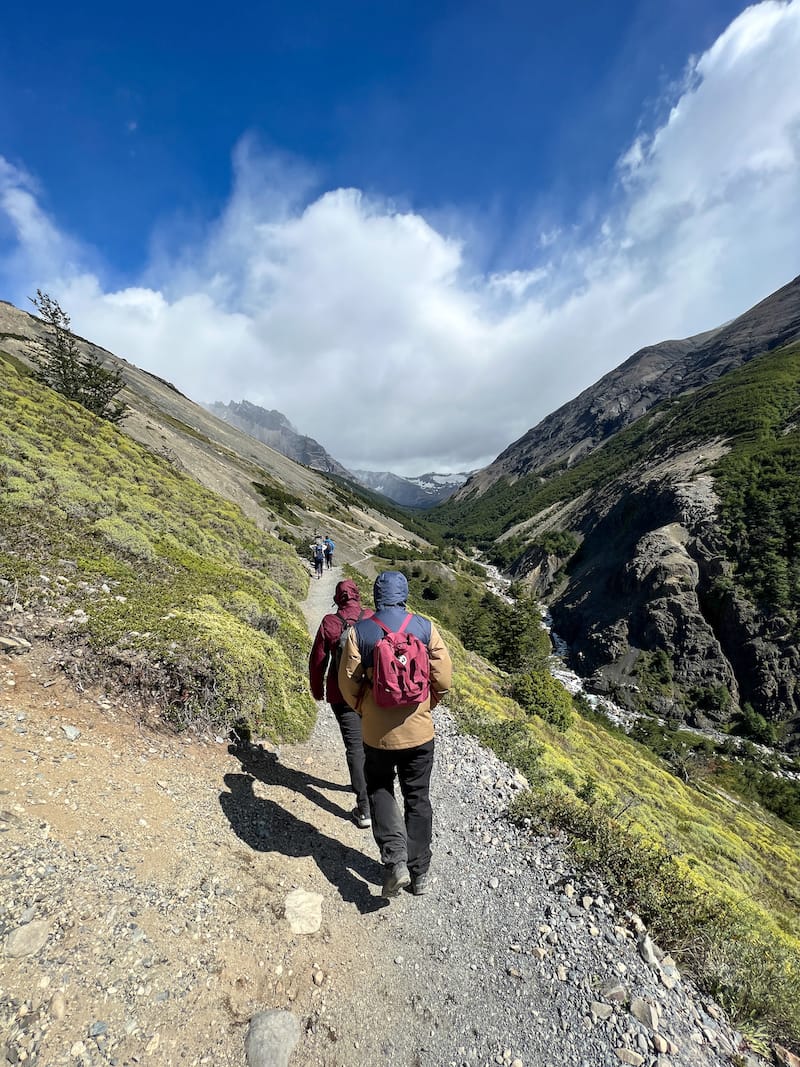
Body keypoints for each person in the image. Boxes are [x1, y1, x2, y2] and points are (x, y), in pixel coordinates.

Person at [338, 570, 452, 898]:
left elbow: (348, 684)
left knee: (380, 789)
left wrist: (365, 709)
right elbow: (443, 680)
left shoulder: (360, 632)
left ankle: (395, 863)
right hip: (419, 733)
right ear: (404, 595)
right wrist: (426, 705)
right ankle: (421, 874)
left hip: (377, 735)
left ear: (376, 596)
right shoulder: (425, 627)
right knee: (418, 798)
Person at [309, 579, 373, 828]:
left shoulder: (330, 623)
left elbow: (317, 662)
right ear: (358, 595)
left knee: (354, 747)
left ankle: (364, 808)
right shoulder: (371, 617)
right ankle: (375, 792)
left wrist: (317, 691)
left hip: (341, 695)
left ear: (337, 598)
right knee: (371, 743)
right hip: (371, 694)